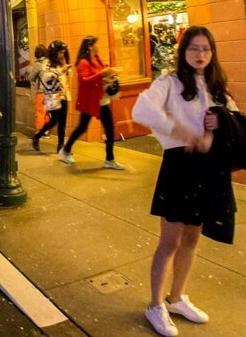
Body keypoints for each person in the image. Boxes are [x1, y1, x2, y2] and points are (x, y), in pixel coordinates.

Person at [132, 26, 233, 336]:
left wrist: (222, 122)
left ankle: (177, 297)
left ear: (212, 52)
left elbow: (237, 121)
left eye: (205, 48)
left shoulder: (218, 88)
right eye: (193, 49)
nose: (200, 54)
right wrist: (180, 130)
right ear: (183, 52)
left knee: (192, 238)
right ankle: (154, 305)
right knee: (170, 241)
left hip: (208, 169)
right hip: (179, 167)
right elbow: (141, 109)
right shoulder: (170, 82)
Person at [59, 36, 123, 169]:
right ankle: (65, 150)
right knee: (82, 127)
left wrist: (111, 75)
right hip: (91, 101)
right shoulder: (83, 62)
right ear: (89, 46)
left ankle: (109, 159)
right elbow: (85, 81)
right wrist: (102, 74)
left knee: (110, 130)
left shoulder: (97, 59)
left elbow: (101, 74)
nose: (98, 46)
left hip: (102, 99)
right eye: (95, 44)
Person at [31, 41, 71, 152]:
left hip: (63, 95)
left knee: (62, 122)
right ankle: (38, 136)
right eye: (60, 53)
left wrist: (65, 68)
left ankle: (61, 146)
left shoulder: (61, 62)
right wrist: (60, 71)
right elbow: (47, 78)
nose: (62, 55)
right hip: (53, 95)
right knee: (54, 121)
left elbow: (66, 77)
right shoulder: (47, 63)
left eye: (63, 52)